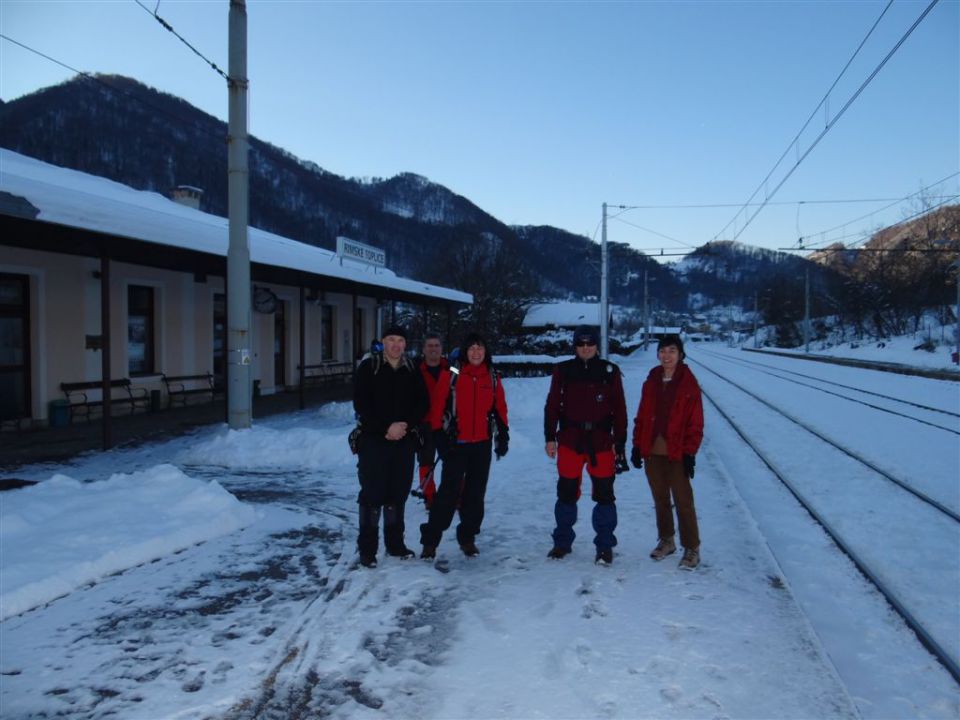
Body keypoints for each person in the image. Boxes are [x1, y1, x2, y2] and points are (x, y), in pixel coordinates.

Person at [543, 325, 629, 565]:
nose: (585, 348)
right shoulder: (563, 371)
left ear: (596, 346)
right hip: (570, 441)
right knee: (567, 493)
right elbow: (552, 406)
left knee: (604, 495)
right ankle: (562, 543)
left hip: (601, 442)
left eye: (590, 344)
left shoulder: (609, 371)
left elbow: (620, 410)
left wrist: (619, 442)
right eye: (580, 344)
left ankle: (604, 546)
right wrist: (550, 437)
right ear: (575, 346)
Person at [420, 332, 508, 559]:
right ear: (465, 352)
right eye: (472, 349)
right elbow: (437, 407)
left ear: (485, 351)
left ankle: (467, 537)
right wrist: (439, 436)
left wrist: (503, 436)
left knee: (475, 495)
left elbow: (500, 409)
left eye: (480, 348)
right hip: (456, 444)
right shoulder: (452, 374)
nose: (476, 353)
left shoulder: (493, 377)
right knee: (447, 495)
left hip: (481, 445)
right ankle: (431, 541)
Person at [352, 325, 430, 568]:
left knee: (398, 493)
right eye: (391, 340)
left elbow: (422, 402)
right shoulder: (369, 367)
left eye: (400, 340)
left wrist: (406, 426)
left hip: (403, 441)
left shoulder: (412, 368)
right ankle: (367, 550)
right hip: (374, 440)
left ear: (405, 344)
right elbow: (361, 404)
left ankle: (395, 544)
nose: (396, 345)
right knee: (372, 495)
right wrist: (386, 427)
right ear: (383, 342)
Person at [631, 334, 704, 570]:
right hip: (652, 450)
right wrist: (636, 445)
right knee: (660, 498)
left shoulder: (689, 383)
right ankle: (667, 540)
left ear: (680, 354)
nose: (667, 355)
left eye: (672, 350)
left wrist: (690, 452)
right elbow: (642, 415)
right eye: (662, 350)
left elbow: (696, 422)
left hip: (677, 451)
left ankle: (691, 548)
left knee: (683, 500)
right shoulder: (651, 380)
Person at [411, 333, 448, 509]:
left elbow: (463, 382)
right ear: (424, 349)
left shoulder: (451, 368)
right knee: (426, 461)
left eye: (436, 345)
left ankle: (455, 495)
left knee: (452, 460)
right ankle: (429, 496)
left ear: (441, 349)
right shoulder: (415, 371)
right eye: (430, 346)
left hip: (447, 423)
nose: (433, 349)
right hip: (424, 423)